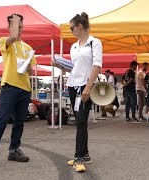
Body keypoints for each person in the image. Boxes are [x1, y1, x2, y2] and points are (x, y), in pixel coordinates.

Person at [0, 14, 36, 168]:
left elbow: (31, 72)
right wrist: (15, 22)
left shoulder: (28, 48)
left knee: (20, 122)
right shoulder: (5, 41)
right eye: (15, 26)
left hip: (25, 88)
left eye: (20, 26)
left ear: (23, 28)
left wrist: (28, 67)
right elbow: (13, 37)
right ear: (9, 28)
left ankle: (13, 150)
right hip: (10, 87)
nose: (18, 30)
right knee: (2, 120)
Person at [53, 12, 102, 172]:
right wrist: (59, 65)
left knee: (81, 121)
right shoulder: (74, 46)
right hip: (73, 85)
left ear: (80, 26)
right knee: (79, 120)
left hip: (85, 86)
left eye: (72, 28)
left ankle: (78, 157)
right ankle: (85, 154)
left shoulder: (95, 42)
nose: (71, 30)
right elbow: (74, 67)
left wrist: (88, 86)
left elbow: (97, 66)